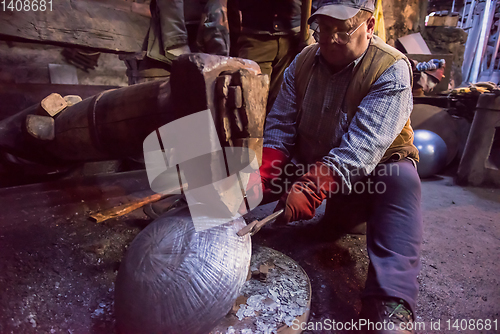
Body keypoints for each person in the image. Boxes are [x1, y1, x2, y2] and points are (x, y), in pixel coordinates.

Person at [251, 0, 423, 333]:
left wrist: (310, 188)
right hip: (316, 164)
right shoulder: (302, 61)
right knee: (249, 176)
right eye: (323, 28)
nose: (329, 39)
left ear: (369, 27)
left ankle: (390, 303)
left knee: (401, 181)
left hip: (368, 177)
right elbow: (281, 125)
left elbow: (362, 148)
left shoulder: (391, 68)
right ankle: (199, 214)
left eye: (342, 30)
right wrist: (265, 172)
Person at [231, 0, 316, 114]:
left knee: (282, 106)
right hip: (256, 37)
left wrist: (314, 28)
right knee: (249, 105)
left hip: (295, 38)